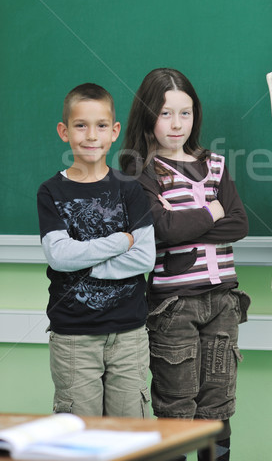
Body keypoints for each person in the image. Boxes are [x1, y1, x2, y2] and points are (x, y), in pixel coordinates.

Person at [119, 68, 250, 461]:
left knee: (217, 410)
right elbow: (161, 233)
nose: (177, 124)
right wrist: (211, 211)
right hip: (172, 305)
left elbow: (239, 223)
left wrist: (182, 222)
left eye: (186, 113)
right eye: (165, 113)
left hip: (223, 301)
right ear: (147, 116)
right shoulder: (140, 173)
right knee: (177, 411)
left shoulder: (215, 164)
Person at [37, 83, 155, 418]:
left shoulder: (130, 189)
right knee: (79, 436)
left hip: (129, 335)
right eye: (80, 125)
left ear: (114, 131)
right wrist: (120, 241)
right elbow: (59, 256)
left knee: (131, 435)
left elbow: (144, 257)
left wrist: (84, 260)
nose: (91, 135)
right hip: (74, 338)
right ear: (64, 131)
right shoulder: (50, 192)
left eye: (101, 125)